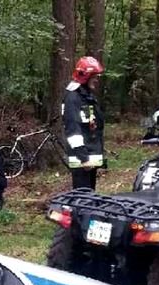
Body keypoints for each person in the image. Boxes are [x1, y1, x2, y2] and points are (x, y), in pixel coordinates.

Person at [62, 56, 106, 190]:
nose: (96, 80)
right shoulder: (73, 98)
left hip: (89, 156)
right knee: (82, 198)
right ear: (85, 76)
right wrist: (83, 157)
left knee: (89, 196)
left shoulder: (86, 96)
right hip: (82, 159)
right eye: (93, 76)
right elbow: (73, 130)